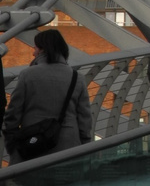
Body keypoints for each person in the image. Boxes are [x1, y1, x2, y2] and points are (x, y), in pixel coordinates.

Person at [3, 29, 92, 162]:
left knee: (33, 181)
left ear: (43, 50)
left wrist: (13, 147)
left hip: (32, 145)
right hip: (68, 148)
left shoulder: (28, 75)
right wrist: (85, 146)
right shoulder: (77, 77)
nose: (33, 53)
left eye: (35, 48)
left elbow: (13, 115)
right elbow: (85, 119)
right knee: (65, 181)